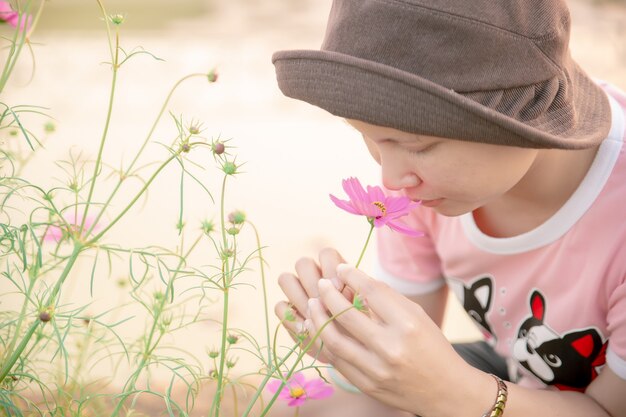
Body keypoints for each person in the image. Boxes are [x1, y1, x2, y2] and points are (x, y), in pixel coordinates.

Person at [270, 0, 626, 416]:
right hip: (515, 373)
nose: (390, 178)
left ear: (530, 119)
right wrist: (354, 342)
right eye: (369, 135)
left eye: (418, 146)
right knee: (310, 406)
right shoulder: (427, 187)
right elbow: (405, 343)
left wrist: (459, 394)